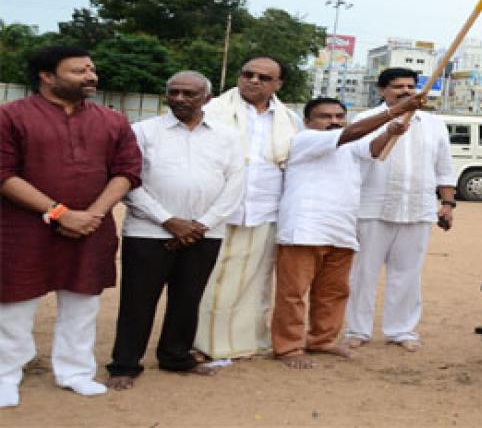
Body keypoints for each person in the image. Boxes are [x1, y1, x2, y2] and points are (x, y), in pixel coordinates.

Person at [0, 46, 142, 407]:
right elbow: (3, 174)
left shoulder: (113, 120)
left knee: (83, 303)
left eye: (91, 69)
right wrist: (61, 213)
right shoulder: (10, 116)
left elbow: (127, 171)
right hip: (22, 228)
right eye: (79, 71)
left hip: (91, 228)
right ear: (47, 76)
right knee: (15, 305)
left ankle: (75, 371)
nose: (90, 76)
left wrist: (91, 215)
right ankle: (5, 375)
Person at [105, 71, 244, 391]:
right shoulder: (142, 132)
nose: (180, 99)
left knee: (188, 298)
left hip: (204, 233)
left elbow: (235, 185)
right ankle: (124, 364)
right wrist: (168, 220)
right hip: (148, 231)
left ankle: (176, 356)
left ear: (207, 99)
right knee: (137, 301)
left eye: (189, 94)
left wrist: (202, 224)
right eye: (174, 92)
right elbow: (128, 181)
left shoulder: (228, 137)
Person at [272, 95, 424, 369]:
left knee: (333, 292)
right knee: (293, 293)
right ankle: (288, 347)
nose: (333, 122)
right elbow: (353, 132)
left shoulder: (350, 145)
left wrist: (390, 132)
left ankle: (322, 339)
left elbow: (375, 150)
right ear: (308, 122)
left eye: (339, 117)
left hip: (341, 229)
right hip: (304, 228)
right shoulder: (305, 140)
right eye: (325, 116)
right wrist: (398, 109)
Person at [195, 56, 301, 360]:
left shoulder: (290, 120)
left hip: (265, 211)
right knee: (211, 281)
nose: (254, 80)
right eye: (248, 74)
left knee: (255, 283)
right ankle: (203, 343)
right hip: (215, 211)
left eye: (264, 78)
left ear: (277, 85)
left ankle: (246, 341)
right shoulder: (211, 111)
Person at [346, 68, 455, 351]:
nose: (406, 91)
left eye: (411, 86)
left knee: (407, 274)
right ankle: (357, 329)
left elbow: (444, 167)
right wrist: (390, 129)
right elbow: (366, 152)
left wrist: (448, 203)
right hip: (372, 208)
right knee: (363, 273)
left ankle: (402, 330)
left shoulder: (433, 123)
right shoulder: (365, 120)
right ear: (382, 91)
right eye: (398, 87)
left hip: (417, 208)